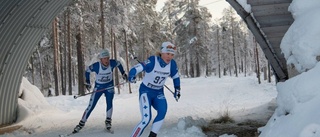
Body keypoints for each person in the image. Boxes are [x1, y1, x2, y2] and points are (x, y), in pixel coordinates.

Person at [128, 42, 181, 137]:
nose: (169, 57)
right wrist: (132, 75)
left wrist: (177, 89)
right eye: (167, 54)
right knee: (146, 119)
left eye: (172, 55)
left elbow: (176, 77)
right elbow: (136, 69)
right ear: (161, 53)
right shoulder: (153, 61)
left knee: (162, 111)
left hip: (158, 93)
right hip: (146, 92)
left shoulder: (172, 64)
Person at [73, 49, 128, 133]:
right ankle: (81, 123)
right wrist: (87, 82)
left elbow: (119, 64)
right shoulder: (96, 66)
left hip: (109, 86)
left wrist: (123, 73)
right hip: (99, 87)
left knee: (109, 102)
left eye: (108, 58)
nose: (107, 60)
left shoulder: (112, 63)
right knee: (91, 105)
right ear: (101, 59)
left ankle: (108, 121)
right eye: (105, 58)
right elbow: (87, 71)